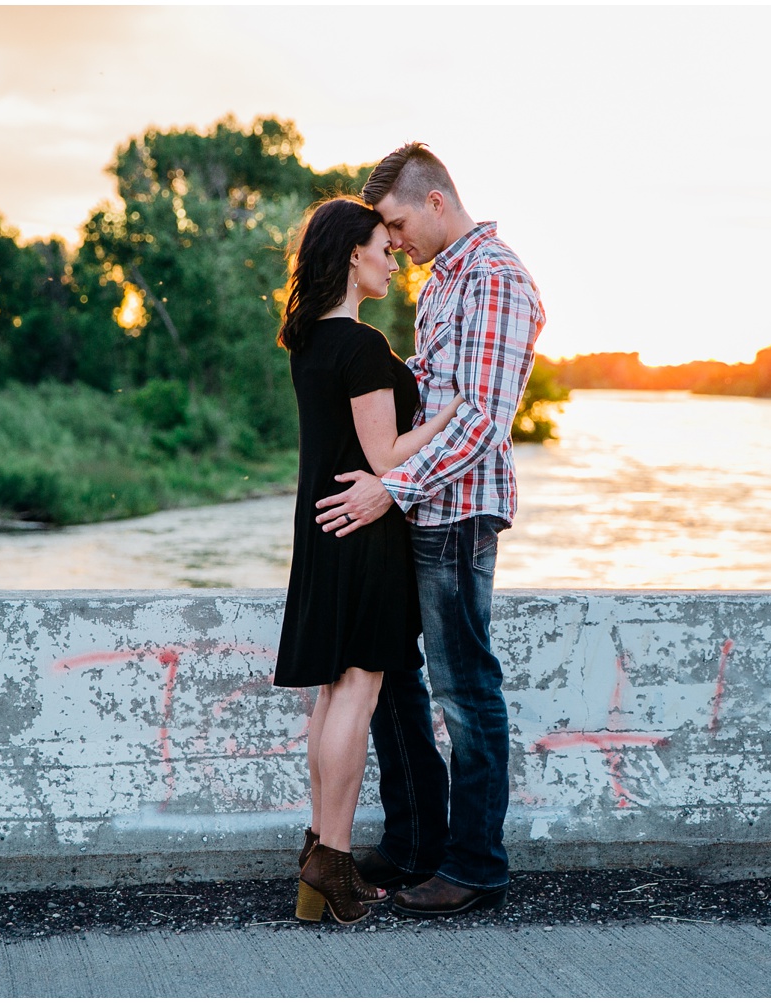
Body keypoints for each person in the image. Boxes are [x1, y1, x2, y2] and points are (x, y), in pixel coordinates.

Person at [315, 143, 545, 917]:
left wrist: (390, 486)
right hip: (415, 505)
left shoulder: (498, 279)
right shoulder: (445, 280)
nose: (395, 240)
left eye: (398, 222)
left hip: (457, 512)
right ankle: (415, 842)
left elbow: (481, 418)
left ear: (437, 202)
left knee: (463, 686)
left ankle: (476, 864)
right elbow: (429, 391)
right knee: (391, 677)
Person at [273, 196, 465, 924]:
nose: (395, 259)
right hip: (363, 532)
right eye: (385, 248)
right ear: (354, 254)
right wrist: (447, 416)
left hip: (321, 529)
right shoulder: (361, 345)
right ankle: (337, 862)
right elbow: (385, 456)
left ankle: (318, 854)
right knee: (357, 689)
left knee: (332, 693)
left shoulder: (312, 341)